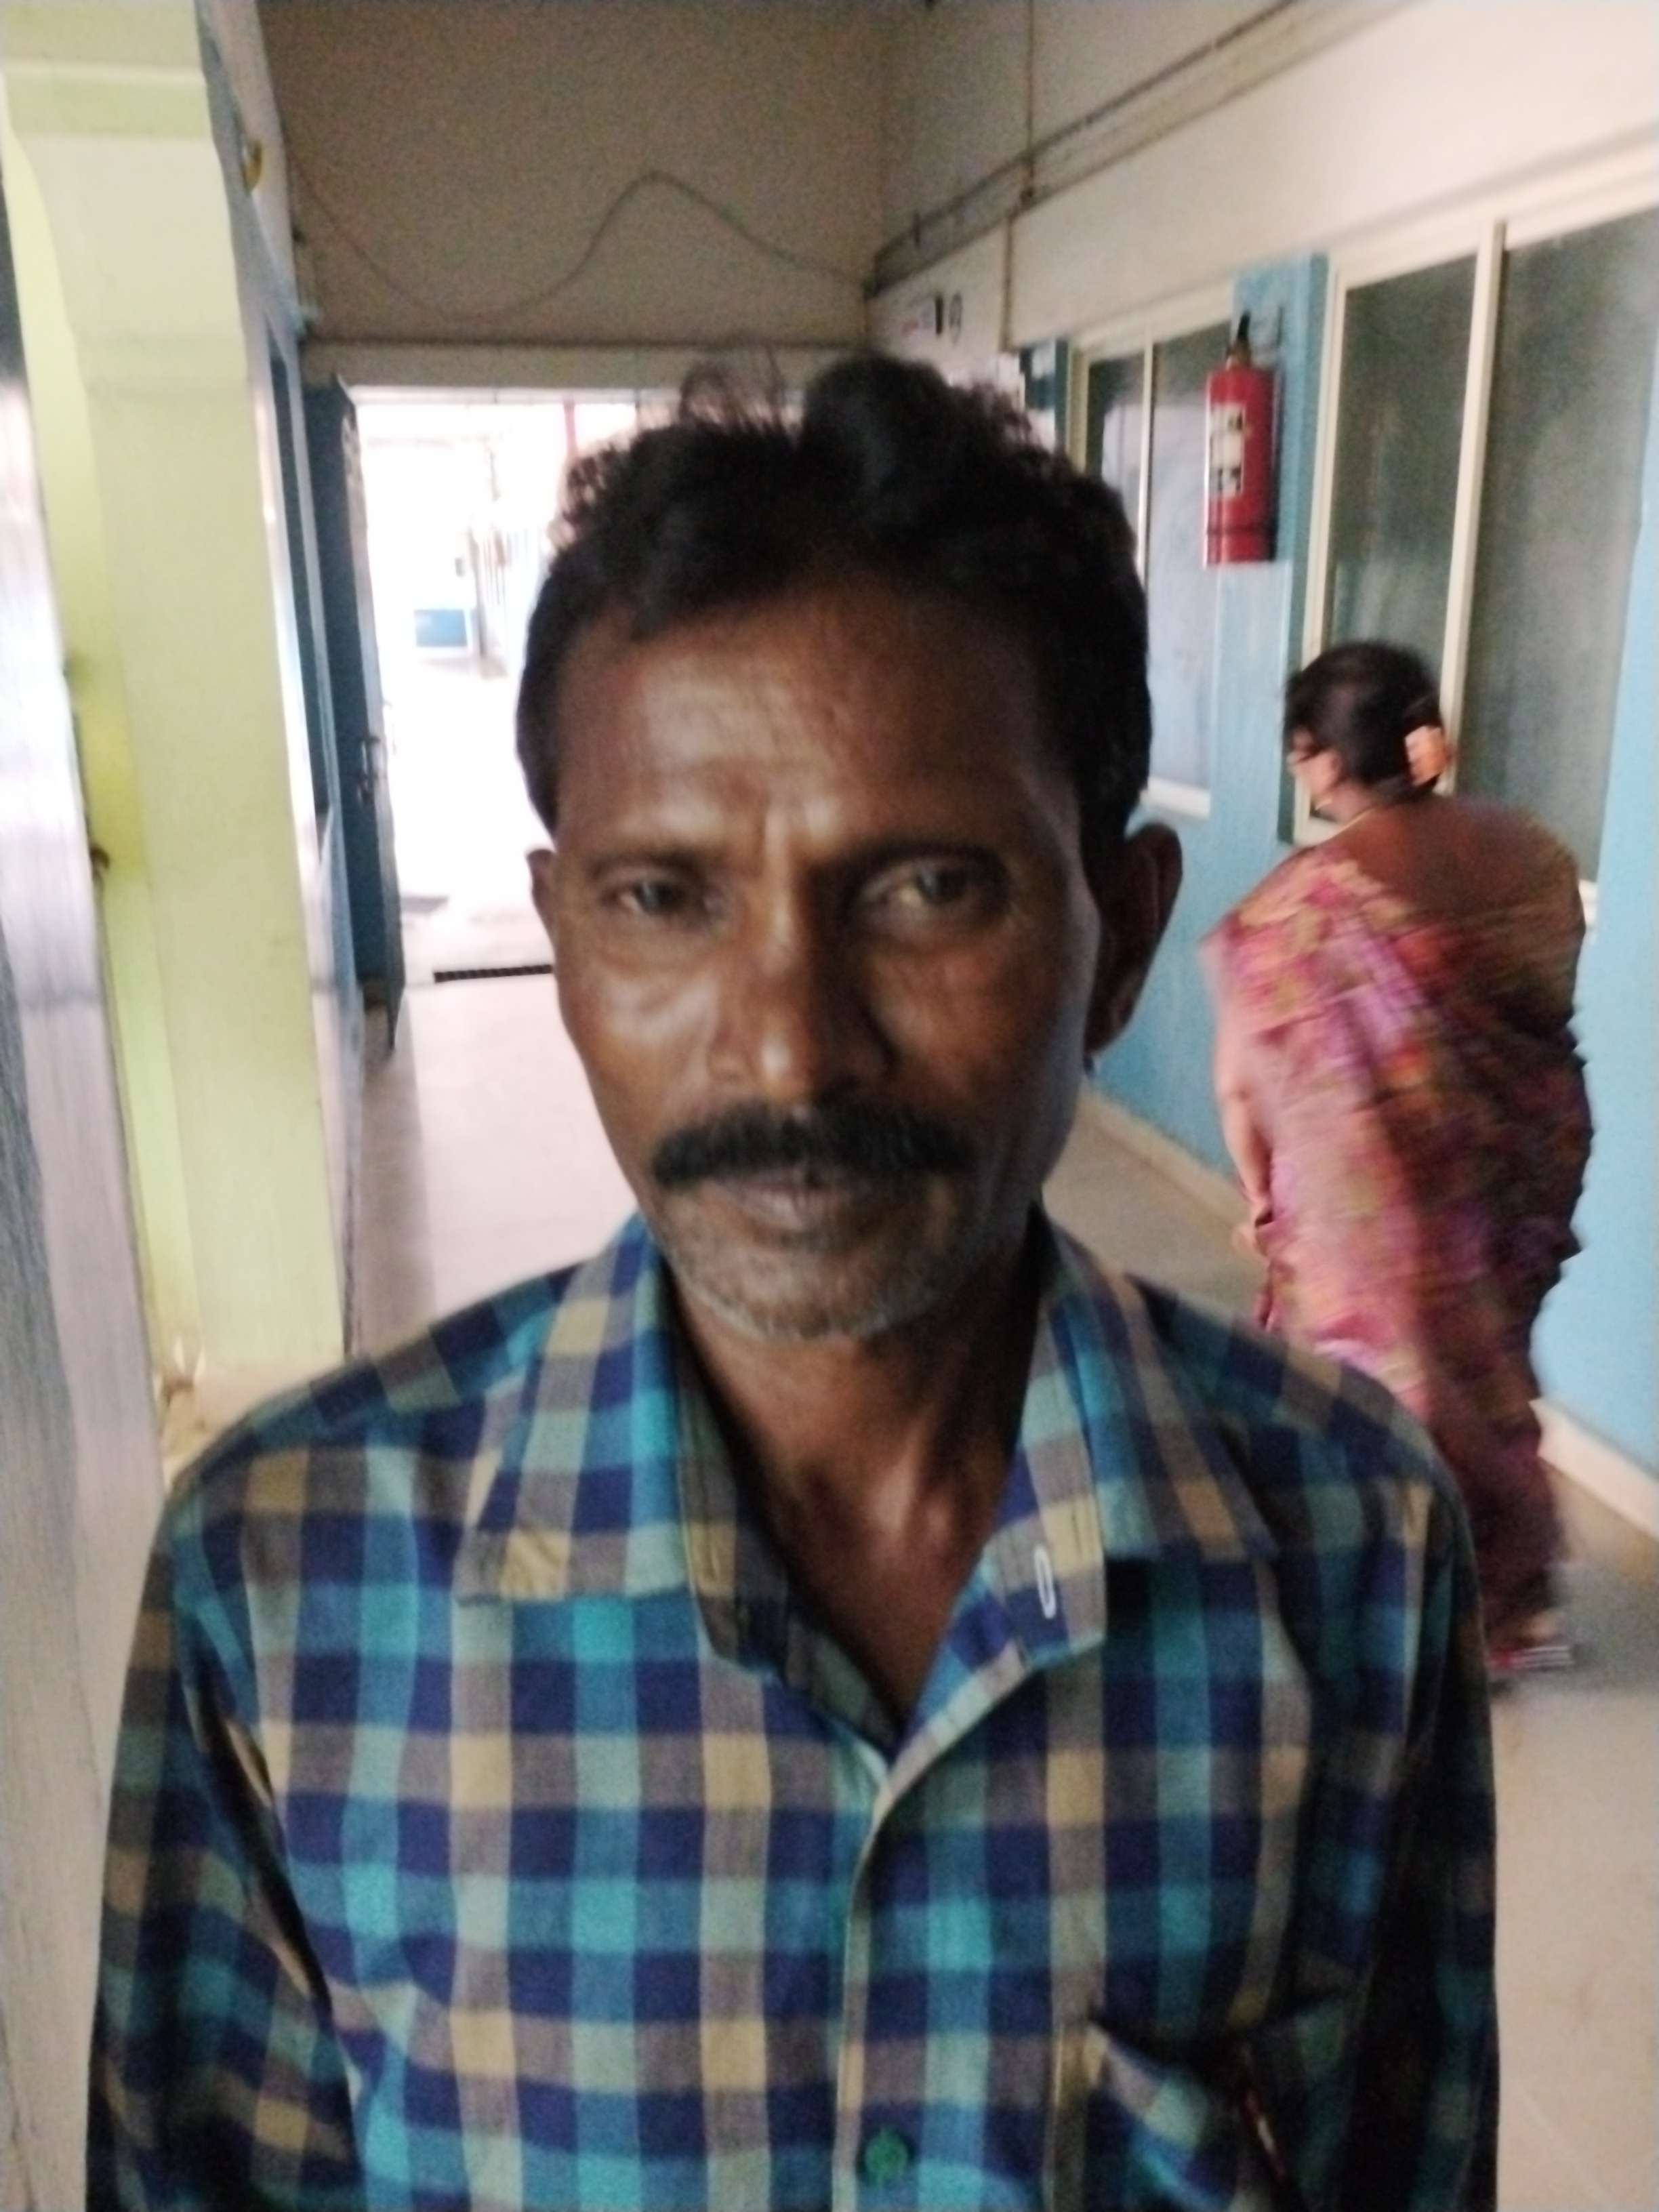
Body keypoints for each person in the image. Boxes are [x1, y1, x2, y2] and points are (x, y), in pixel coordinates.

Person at [89, 361, 1496, 2211]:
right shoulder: (289, 1586)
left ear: (1121, 937)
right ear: (563, 944)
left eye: (925, 890)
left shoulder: (1353, 1547)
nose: (788, 1049)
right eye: (663, 899)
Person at [1204, 640, 1591, 1678]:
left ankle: (1393, 1612)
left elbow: (1245, 1082)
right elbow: (1541, 1009)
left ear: (1323, 758)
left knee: (1372, 1395)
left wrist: (1265, 1198)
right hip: (1512, 1171)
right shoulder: (1537, 856)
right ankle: (1505, 1603)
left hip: (1373, 1202)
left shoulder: (1298, 911)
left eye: (1300, 753)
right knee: (1483, 1372)